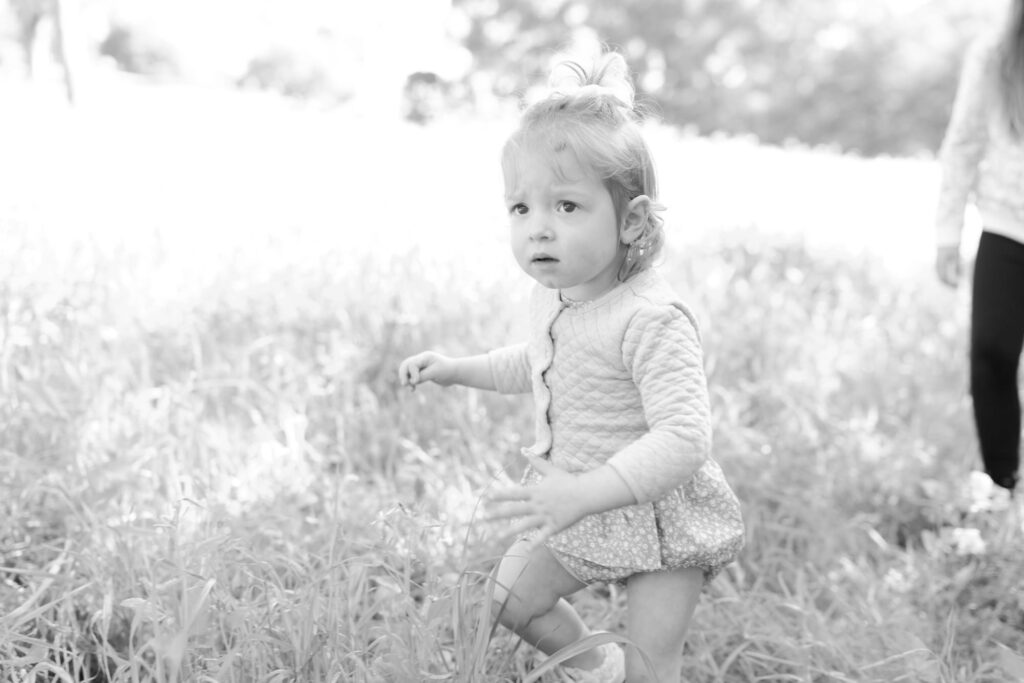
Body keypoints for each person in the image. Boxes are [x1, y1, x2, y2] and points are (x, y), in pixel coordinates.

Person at [398, 50, 744, 682]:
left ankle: (632, 671)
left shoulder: (652, 318)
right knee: (511, 598)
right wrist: (455, 368)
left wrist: (586, 492)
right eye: (521, 208)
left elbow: (685, 437)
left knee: (653, 663)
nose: (539, 230)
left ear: (632, 220)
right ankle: (595, 665)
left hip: (660, 513)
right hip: (581, 503)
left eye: (567, 206)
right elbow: (535, 363)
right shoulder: (555, 296)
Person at [936, 0, 1024, 494]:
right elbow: (965, 141)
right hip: (1007, 225)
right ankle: (1002, 485)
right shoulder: (994, 56)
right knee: (991, 354)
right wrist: (948, 232)